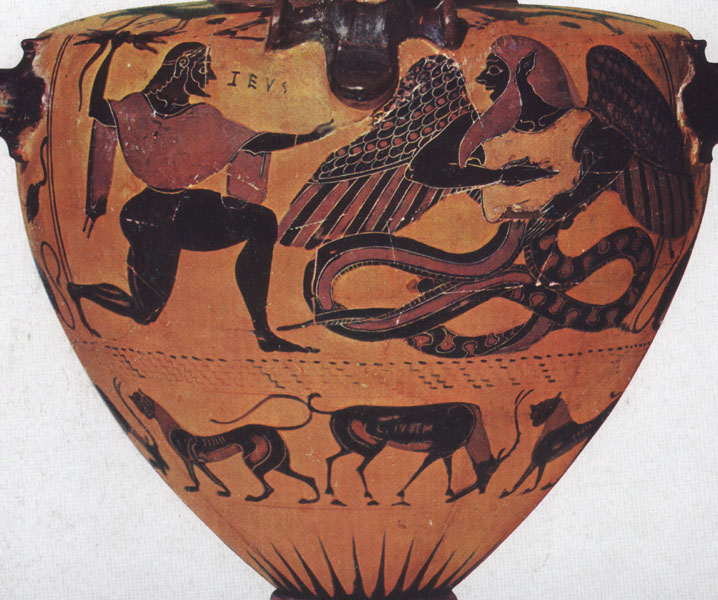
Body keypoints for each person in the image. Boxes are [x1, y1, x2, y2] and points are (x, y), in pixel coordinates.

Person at [68, 40, 333, 352]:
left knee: (261, 221)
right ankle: (80, 290)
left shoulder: (203, 117)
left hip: (186, 208)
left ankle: (263, 333)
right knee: (144, 312)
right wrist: (108, 51)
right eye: (203, 68)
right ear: (184, 67)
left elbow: (254, 142)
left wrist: (307, 137)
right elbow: (97, 108)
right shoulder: (136, 107)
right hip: (148, 217)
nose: (209, 76)